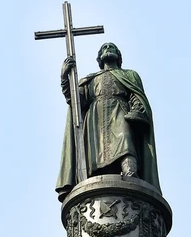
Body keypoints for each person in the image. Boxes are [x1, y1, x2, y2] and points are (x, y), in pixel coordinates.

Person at [56, 42, 161, 200]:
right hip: (95, 121)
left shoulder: (129, 75)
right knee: (95, 157)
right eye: (104, 48)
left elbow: (136, 96)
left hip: (120, 112)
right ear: (99, 58)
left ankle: (131, 177)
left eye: (111, 47)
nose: (108, 49)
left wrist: (137, 110)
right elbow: (75, 101)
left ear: (118, 56)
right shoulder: (91, 80)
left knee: (126, 144)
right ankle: (95, 193)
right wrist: (65, 78)